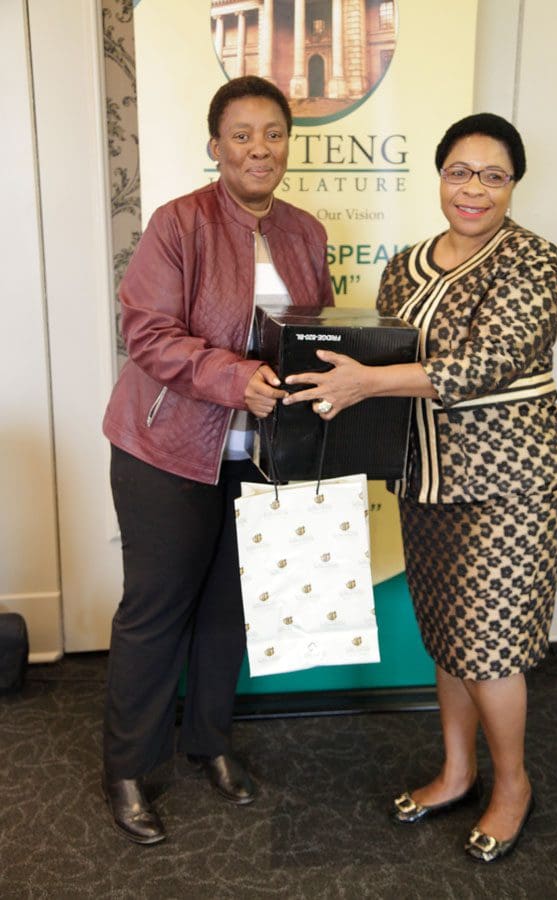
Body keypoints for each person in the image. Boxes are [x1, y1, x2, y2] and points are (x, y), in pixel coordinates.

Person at [283, 113, 557, 863]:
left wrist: (365, 383)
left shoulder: (533, 260)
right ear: (440, 174)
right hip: (427, 476)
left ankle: (512, 785)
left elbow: (487, 363)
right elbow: (378, 355)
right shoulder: (405, 266)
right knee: (447, 633)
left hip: (516, 479)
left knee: (490, 647)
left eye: (493, 176)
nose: (474, 189)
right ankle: (456, 770)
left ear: (513, 185)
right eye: (460, 172)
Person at [101, 75, 333, 844]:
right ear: (216, 145)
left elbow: (315, 336)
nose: (259, 149)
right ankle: (128, 768)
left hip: (259, 456)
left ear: (287, 144)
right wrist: (236, 380)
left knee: (230, 607)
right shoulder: (179, 223)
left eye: (273, 133)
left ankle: (210, 742)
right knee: (156, 610)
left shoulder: (306, 232)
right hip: (166, 451)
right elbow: (147, 332)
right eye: (241, 134)